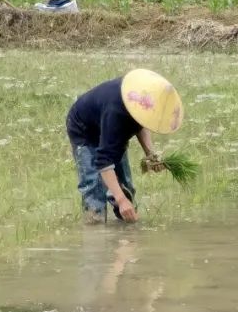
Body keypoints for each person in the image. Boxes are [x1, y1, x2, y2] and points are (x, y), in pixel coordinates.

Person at [66, 69, 184, 224]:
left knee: (125, 186)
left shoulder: (140, 102)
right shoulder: (116, 113)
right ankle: (95, 232)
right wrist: (120, 200)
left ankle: (127, 231)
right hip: (84, 131)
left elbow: (142, 122)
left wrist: (150, 154)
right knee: (94, 189)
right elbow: (103, 161)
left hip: (109, 125)